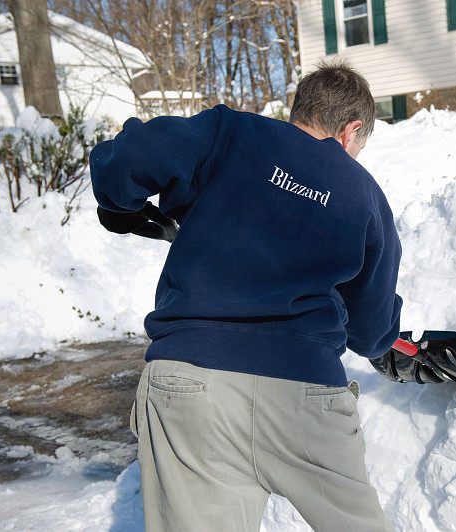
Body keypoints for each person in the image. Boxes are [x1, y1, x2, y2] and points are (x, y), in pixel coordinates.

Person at [89, 60, 402, 532]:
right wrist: (387, 334)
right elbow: (371, 330)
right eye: (359, 146)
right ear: (350, 130)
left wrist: (121, 203)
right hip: (307, 398)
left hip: (192, 387)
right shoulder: (366, 197)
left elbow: (128, 161)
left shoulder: (228, 132)